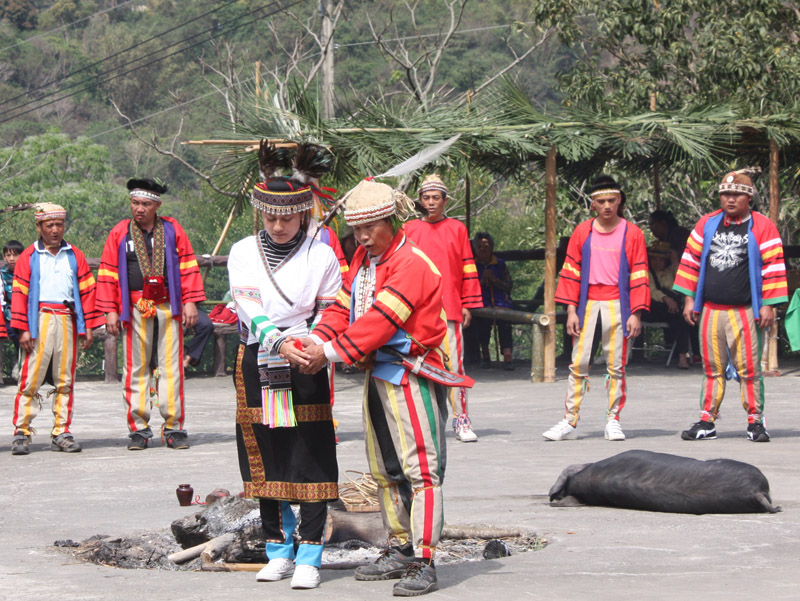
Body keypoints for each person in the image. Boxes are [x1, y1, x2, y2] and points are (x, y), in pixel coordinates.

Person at [298, 179, 453, 597]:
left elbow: (380, 321)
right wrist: (316, 338)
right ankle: (399, 546)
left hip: (411, 372)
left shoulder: (412, 264)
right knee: (383, 468)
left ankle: (425, 559)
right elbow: (343, 307)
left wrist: (326, 353)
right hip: (378, 373)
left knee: (422, 468)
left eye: (370, 228)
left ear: (391, 221)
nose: (363, 237)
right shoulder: (365, 262)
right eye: (357, 230)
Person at [228, 151, 341, 590]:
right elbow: (248, 304)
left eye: (287, 219)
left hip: (309, 358)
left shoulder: (322, 255)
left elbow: (331, 308)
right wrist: (281, 342)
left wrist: (311, 344)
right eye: (271, 218)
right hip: (259, 357)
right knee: (266, 451)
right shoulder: (242, 252)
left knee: (311, 452)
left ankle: (311, 552)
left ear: (302, 215)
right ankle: (277, 547)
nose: (278, 226)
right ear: (263, 214)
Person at [673, 170, 788, 442]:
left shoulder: (762, 226)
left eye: (736, 194)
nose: (730, 199)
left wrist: (768, 305)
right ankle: (707, 421)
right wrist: (690, 299)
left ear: (748, 197)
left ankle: (755, 421)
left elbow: (773, 265)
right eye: (725, 194)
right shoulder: (707, 223)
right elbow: (691, 261)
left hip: (745, 310)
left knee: (749, 369)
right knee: (712, 368)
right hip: (712, 310)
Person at [96, 178, 205, 450]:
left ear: (157, 205)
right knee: (135, 367)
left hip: (168, 305)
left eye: (146, 204)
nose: (139, 209)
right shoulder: (120, 232)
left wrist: (190, 301)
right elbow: (108, 271)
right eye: (135, 203)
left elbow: (188, 265)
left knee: (171, 366)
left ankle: (174, 427)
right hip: (135, 306)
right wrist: (110, 310)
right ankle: (139, 429)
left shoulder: (171, 230)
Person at [543, 175, 650, 442]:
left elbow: (639, 273)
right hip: (587, 303)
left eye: (612, 200)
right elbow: (570, 271)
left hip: (618, 303)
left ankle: (613, 419)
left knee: (616, 365)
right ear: (592, 204)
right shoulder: (583, 231)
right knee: (578, 363)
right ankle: (570, 420)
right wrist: (570, 310)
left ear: (620, 200)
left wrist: (635, 312)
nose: (607, 206)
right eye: (601, 201)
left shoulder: (632, 232)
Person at [10, 204, 102, 455]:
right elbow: (19, 294)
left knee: (65, 379)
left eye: (59, 224)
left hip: (66, 319)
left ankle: (61, 430)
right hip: (38, 320)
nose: (54, 230)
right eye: (49, 225)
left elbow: (87, 292)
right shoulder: (29, 256)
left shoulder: (75, 255)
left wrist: (88, 328)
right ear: (39, 227)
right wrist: (24, 329)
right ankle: (22, 431)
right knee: (30, 378)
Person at [404, 174, 482, 442]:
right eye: (426, 198)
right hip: (417, 310)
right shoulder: (409, 229)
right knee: (418, 366)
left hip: (449, 307)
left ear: (445, 200)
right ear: (420, 201)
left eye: (436, 198)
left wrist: (467, 304)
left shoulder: (457, 229)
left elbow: (467, 265)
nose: (431, 202)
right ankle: (425, 422)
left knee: (455, 366)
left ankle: (462, 419)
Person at [468, 231, 514, 370]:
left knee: (505, 322)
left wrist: (495, 280)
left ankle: (507, 356)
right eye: (480, 246)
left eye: (486, 246)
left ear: (492, 247)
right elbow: (469, 287)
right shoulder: (472, 265)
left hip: (501, 303)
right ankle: (485, 356)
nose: (483, 249)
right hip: (482, 303)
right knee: (483, 323)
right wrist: (482, 281)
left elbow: (509, 285)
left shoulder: (500, 264)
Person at [644, 241, 690, 369]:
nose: (657, 263)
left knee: (682, 319)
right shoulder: (646, 272)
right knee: (676, 316)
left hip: (673, 310)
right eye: (654, 259)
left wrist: (675, 260)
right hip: (653, 308)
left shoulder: (671, 271)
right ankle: (680, 355)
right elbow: (651, 290)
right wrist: (666, 299)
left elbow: (683, 281)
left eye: (661, 260)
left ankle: (682, 355)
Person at [2, 239, 23, 375]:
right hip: (8, 314)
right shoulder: (2, 274)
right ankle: (18, 361)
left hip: (23, 313)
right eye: (8, 255)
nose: (11, 259)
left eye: (14, 255)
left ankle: (21, 362)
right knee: (12, 333)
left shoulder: (26, 273)